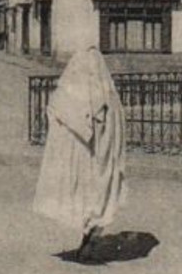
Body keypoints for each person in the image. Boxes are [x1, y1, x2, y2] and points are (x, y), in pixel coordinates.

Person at [33, 46, 126, 262]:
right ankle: (90, 237)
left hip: (84, 158)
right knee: (99, 200)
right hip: (102, 160)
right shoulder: (110, 96)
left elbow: (64, 116)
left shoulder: (71, 93)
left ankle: (88, 239)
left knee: (84, 198)